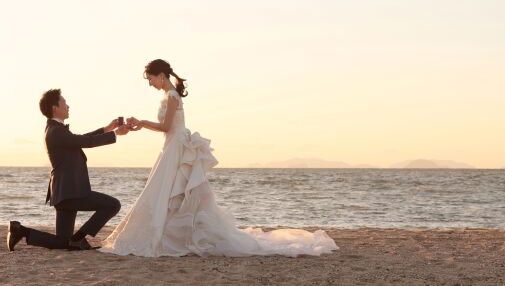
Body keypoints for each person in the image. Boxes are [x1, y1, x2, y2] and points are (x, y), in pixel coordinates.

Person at [99, 59, 339, 257]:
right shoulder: (168, 95)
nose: (149, 83)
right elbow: (167, 128)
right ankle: (166, 232)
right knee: (166, 191)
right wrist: (141, 125)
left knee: (167, 190)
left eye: (150, 78)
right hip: (172, 146)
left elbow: (166, 126)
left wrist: (141, 122)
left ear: (160, 75)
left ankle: (167, 235)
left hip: (175, 148)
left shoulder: (171, 95)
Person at [7, 88, 132, 251]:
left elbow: (79, 140)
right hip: (71, 192)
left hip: (64, 193)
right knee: (112, 205)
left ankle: (20, 231)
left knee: (62, 242)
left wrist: (107, 129)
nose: (68, 106)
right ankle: (79, 239)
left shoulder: (55, 130)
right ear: (55, 108)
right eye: (64, 103)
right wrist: (115, 134)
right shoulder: (55, 131)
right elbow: (85, 142)